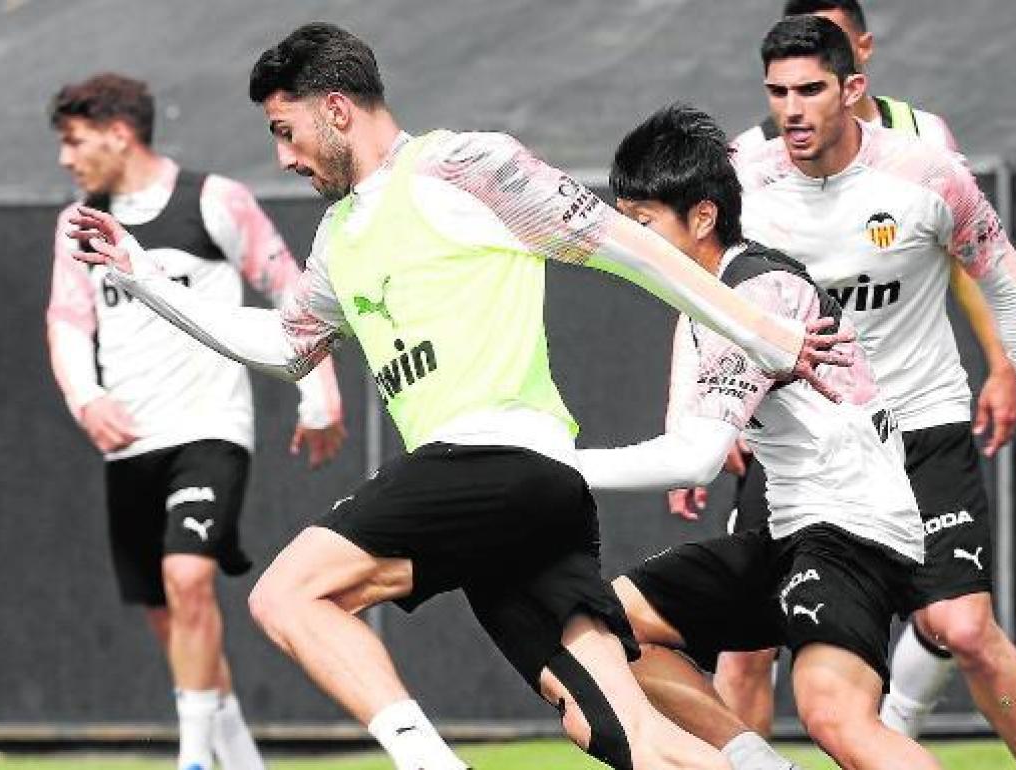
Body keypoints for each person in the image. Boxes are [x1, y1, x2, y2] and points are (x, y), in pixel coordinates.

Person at [65, 23, 851, 770]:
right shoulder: (339, 240)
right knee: (626, 735)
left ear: (336, 109)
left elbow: (632, 247)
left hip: (492, 464)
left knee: (287, 595)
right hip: (523, 507)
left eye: (286, 129)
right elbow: (284, 350)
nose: (285, 156)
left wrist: (766, 335)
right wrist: (142, 277)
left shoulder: (464, 167)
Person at [732, 15, 1016, 770]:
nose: (792, 109)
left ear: (854, 86)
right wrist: (708, 414)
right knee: (745, 646)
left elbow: (1003, 281)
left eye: (810, 90)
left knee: (967, 630)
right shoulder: (741, 177)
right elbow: (703, 298)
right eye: (777, 92)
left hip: (919, 427)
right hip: (799, 442)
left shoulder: (925, 169)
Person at [579, 101, 941, 770]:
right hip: (792, 529)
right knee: (607, 624)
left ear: (703, 217)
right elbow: (698, 408)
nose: (629, 240)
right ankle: (755, 762)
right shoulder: (708, 295)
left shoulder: (757, 293)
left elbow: (695, 458)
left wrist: (559, 465)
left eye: (643, 222)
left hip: (853, 529)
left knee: (832, 713)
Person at [45, 73, 346, 770]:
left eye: (75, 142)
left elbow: (294, 292)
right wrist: (87, 398)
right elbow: (65, 322)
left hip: (210, 429)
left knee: (188, 579)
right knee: (173, 617)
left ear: (119, 134)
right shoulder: (78, 224)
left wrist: (318, 394)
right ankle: (241, 761)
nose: (66, 159)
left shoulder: (214, 200)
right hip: (129, 444)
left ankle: (191, 761)